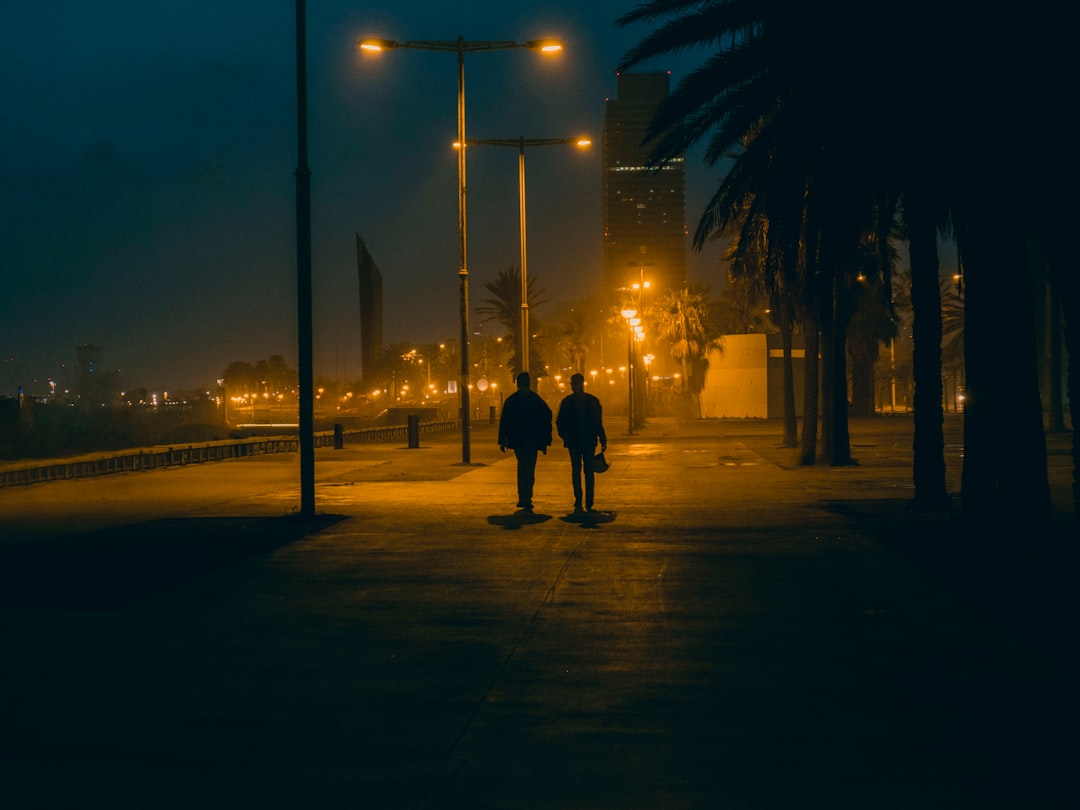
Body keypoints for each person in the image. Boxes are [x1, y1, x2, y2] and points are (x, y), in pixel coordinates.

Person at [497, 371, 553, 512]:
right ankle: (527, 495)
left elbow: (504, 421)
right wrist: (545, 439)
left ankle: (523, 496)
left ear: (517, 384)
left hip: (518, 440)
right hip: (533, 440)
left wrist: (502, 440)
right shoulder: (536, 400)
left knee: (522, 466)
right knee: (530, 467)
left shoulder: (512, 401)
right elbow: (547, 416)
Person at [555, 372, 607, 513]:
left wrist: (565, 436)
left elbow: (560, 422)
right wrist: (602, 437)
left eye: (575, 384)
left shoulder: (568, 402)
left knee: (579, 470)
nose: (575, 387)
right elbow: (597, 422)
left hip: (577, 441)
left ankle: (582, 499)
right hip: (584, 441)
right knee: (584, 470)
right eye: (573, 384)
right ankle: (585, 500)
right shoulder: (592, 401)